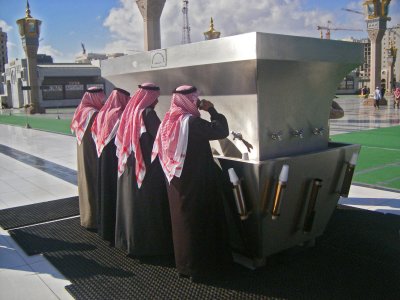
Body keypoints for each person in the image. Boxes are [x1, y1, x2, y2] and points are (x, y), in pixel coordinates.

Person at [152, 85, 232, 281]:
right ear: (188, 100)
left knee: (182, 221)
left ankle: (184, 265)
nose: (196, 102)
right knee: (196, 223)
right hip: (194, 181)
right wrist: (212, 110)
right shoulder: (191, 123)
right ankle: (199, 267)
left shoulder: (169, 120)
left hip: (175, 182)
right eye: (194, 99)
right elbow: (221, 131)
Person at [114, 83, 173, 257]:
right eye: (155, 98)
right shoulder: (148, 113)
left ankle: (129, 241)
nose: (156, 102)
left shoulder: (131, 111)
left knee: (132, 203)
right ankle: (147, 245)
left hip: (130, 164)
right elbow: (163, 137)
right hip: (146, 165)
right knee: (147, 204)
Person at [91, 87, 130, 245]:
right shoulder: (119, 115)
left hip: (102, 156)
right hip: (114, 158)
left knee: (104, 189)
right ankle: (114, 229)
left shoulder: (102, 113)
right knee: (114, 192)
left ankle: (104, 227)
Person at [70, 87, 105, 230]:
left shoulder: (82, 110)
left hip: (83, 155)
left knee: (85, 183)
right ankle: (94, 219)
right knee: (93, 183)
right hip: (92, 154)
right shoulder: (94, 113)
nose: (103, 101)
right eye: (101, 98)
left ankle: (86, 217)